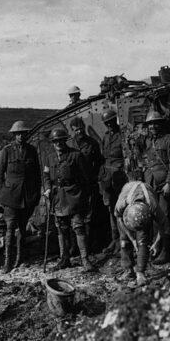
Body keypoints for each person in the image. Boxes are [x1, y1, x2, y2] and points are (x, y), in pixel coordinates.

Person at [43, 127, 97, 273]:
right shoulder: (49, 157)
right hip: (58, 197)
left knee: (78, 227)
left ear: (65, 141)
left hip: (74, 196)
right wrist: (47, 188)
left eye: (61, 141)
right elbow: (46, 176)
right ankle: (64, 259)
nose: (58, 144)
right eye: (55, 141)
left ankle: (85, 260)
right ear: (52, 143)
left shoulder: (76, 155)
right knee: (61, 229)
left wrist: (84, 196)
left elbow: (86, 177)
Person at [0, 120, 42, 272]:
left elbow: (37, 175)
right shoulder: (7, 151)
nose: (21, 136)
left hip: (27, 197)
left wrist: (35, 195)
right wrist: (1, 195)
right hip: (10, 197)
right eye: (18, 134)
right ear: (14, 135)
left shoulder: (32, 151)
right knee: (10, 228)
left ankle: (20, 258)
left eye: (23, 133)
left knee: (22, 228)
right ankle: (7, 262)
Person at [140, 109, 170, 264]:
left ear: (161, 124)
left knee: (164, 218)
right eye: (150, 124)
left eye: (155, 123)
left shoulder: (169, 139)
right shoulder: (147, 141)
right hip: (151, 185)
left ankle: (166, 251)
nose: (152, 127)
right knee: (152, 218)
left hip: (164, 185)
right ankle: (155, 248)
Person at [114, 181, 170, 287]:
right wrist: (132, 239)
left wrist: (157, 243)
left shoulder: (152, 206)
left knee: (143, 241)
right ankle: (128, 270)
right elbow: (119, 218)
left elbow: (165, 226)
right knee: (124, 242)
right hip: (127, 194)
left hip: (146, 198)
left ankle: (140, 273)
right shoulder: (121, 204)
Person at [68, 116, 103, 251]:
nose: (79, 132)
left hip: (88, 183)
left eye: (81, 129)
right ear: (72, 131)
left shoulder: (92, 143)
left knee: (89, 215)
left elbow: (98, 162)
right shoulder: (70, 144)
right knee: (74, 215)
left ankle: (89, 245)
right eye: (76, 130)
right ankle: (74, 247)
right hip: (74, 186)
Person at [98, 109, 128, 253]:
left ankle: (124, 239)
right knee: (111, 209)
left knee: (122, 208)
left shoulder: (122, 135)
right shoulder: (105, 137)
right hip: (107, 178)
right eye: (106, 123)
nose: (109, 124)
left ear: (115, 120)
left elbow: (127, 156)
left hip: (120, 177)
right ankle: (114, 239)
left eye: (111, 121)